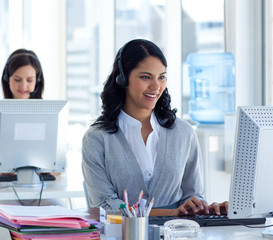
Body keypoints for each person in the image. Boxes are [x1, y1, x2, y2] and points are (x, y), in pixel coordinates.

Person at [81, 39, 228, 216]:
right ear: (123, 79)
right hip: (123, 234)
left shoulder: (184, 132)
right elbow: (103, 207)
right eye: (145, 77)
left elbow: (193, 194)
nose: (156, 87)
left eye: (161, 77)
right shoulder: (97, 138)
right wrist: (170, 213)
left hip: (177, 232)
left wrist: (200, 206)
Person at [0, 49, 64, 206]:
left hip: (40, 189)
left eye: (29, 80)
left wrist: (49, 169)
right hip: (5, 190)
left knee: (58, 208)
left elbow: (58, 167)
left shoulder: (50, 113)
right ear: (7, 79)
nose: (23, 86)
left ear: (37, 81)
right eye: (17, 79)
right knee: (2, 215)